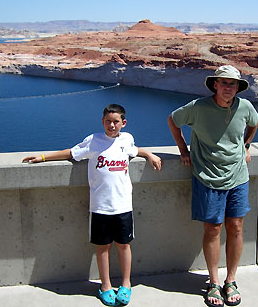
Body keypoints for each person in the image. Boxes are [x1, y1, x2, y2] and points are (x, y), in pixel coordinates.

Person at [22, 103, 162, 307]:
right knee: (103, 247)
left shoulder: (127, 139)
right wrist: (43, 157)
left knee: (124, 246)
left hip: (123, 205)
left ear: (123, 123)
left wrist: (149, 154)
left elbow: (134, 150)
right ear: (102, 122)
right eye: (108, 121)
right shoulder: (94, 141)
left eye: (116, 122)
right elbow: (70, 153)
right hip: (100, 207)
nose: (111, 125)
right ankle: (105, 286)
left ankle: (126, 284)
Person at [167, 65, 258, 307]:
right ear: (215, 85)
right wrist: (183, 149)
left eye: (233, 84)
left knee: (236, 227)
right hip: (207, 176)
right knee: (213, 229)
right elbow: (173, 121)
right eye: (224, 83)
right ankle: (214, 282)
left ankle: (231, 280)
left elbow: (254, 123)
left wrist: (246, 146)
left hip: (238, 176)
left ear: (238, 88)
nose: (229, 88)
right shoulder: (198, 108)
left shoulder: (245, 107)